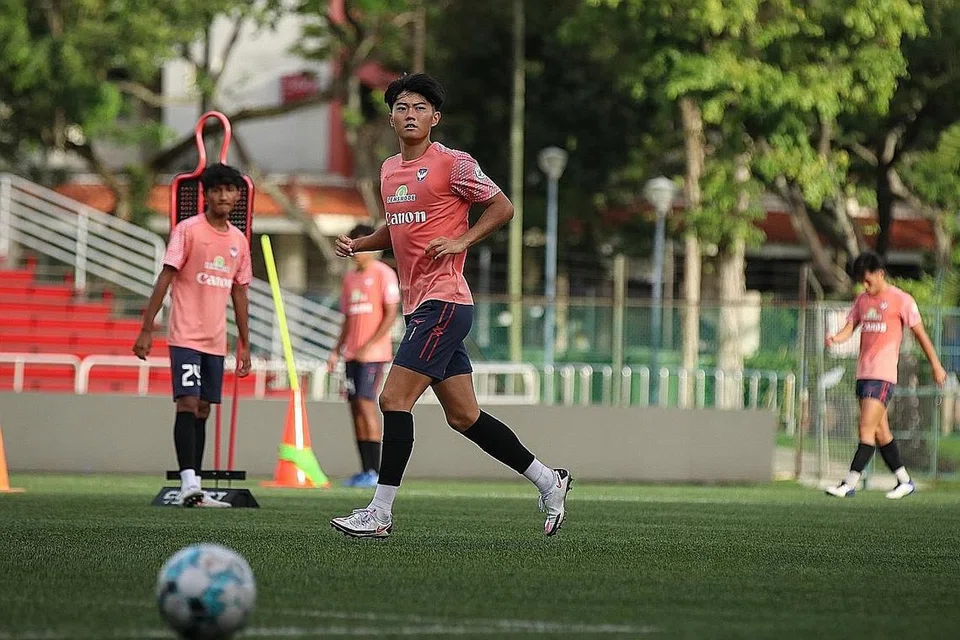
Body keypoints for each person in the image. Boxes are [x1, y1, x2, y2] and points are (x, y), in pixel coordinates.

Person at [330, 73, 571, 538]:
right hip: (421, 308)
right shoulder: (387, 171)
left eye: (420, 107)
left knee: (393, 398)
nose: (410, 115)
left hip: (446, 302)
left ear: (434, 118)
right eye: (401, 107)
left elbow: (503, 207)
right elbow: (397, 228)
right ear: (391, 117)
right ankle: (549, 479)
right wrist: (360, 243)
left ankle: (379, 513)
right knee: (463, 416)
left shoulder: (453, 164)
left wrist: (462, 238)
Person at [133, 163, 253, 508]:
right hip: (185, 335)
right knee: (186, 403)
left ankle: (196, 487)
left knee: (202, 408)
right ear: (207, 194)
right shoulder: (188, 230)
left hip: (216, 340)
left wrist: (244, 342)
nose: (224, 195)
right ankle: (187, 483)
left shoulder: (238, 241)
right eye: (217, 189)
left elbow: (240, 292)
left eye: (230, 190)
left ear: (237, 196)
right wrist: (146, 327)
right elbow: (166, 277)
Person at [824, 251, 946, 499]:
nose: (865, 285)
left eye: (868, 280)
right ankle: (904, 481)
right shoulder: (862, 301)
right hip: (863, 373)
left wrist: (936, 365)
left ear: (880, 274)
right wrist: (836, 338)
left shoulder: (901, 300)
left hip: (883, 374)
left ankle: (849, 484)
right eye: (861, 281)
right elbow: (851, 326)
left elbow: (921, 335)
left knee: (865, 429)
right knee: (881, 432)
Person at [327, 223, 401, 488]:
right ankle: (365, 468)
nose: (356, 252)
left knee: (368, 405)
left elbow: (391, 313)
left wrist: (370, 344)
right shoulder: (349, 279)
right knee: (355, 407)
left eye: (361, 245)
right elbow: (347, 319)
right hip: (351, 356)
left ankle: (376, 471)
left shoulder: (383, 274)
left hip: (374, 355)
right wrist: (337, 350)